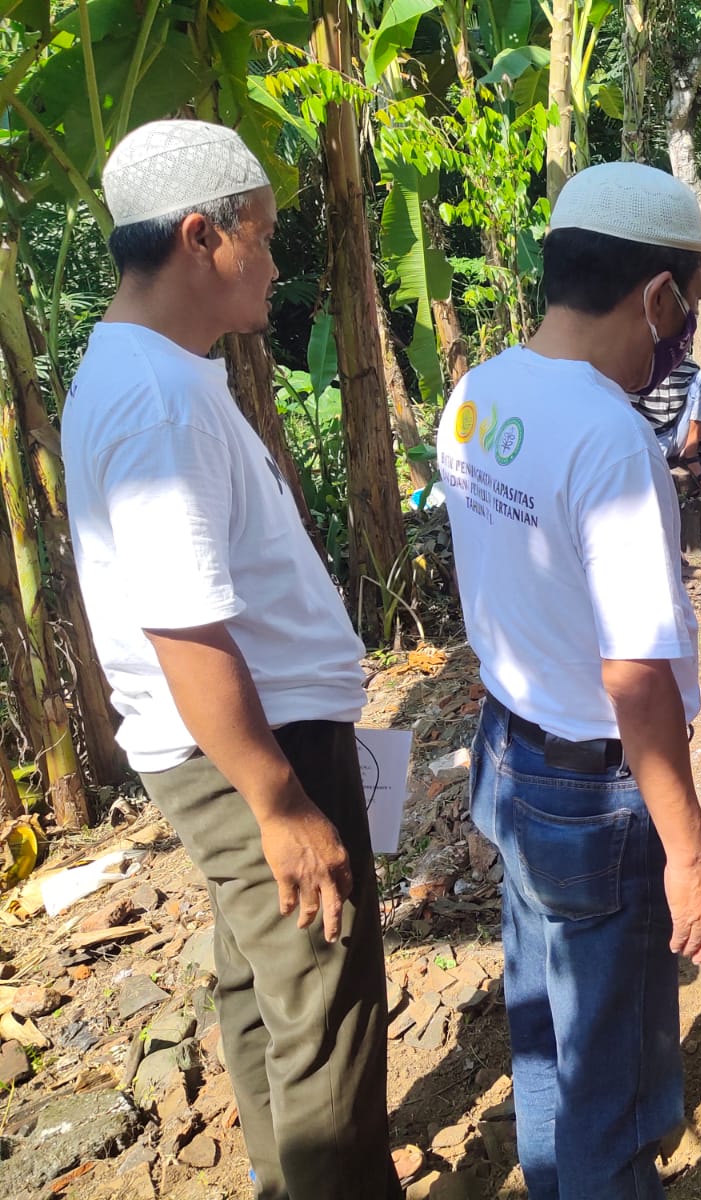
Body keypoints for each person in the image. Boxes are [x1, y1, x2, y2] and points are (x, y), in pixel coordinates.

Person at [61, 120, 400, 1200]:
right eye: (261, 232)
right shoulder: (156, 399)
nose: (274, 258)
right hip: (246, 739)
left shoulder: (147, 368)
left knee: (261, 978)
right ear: (201, 236)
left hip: (231, 730)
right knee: (322, 999)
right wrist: (279, 799)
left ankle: (276, 1173)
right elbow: (183, 625)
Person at [434, 161, 701, 1199]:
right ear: (657, 294)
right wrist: (691, 856)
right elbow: (635, 674)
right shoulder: (611, 438)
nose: (682, 334)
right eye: (687, 307)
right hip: (592, 790)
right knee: (598, 1058)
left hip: (511, 759)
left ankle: (573, 1168)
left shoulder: (479, 391)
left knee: (547, 1019)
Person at [635, 355, 701, 491]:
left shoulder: (690, 367)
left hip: (677, 437)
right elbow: (628, 415)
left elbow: (697, 415)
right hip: (648, 441)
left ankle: (690, 455)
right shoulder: (640, 367)